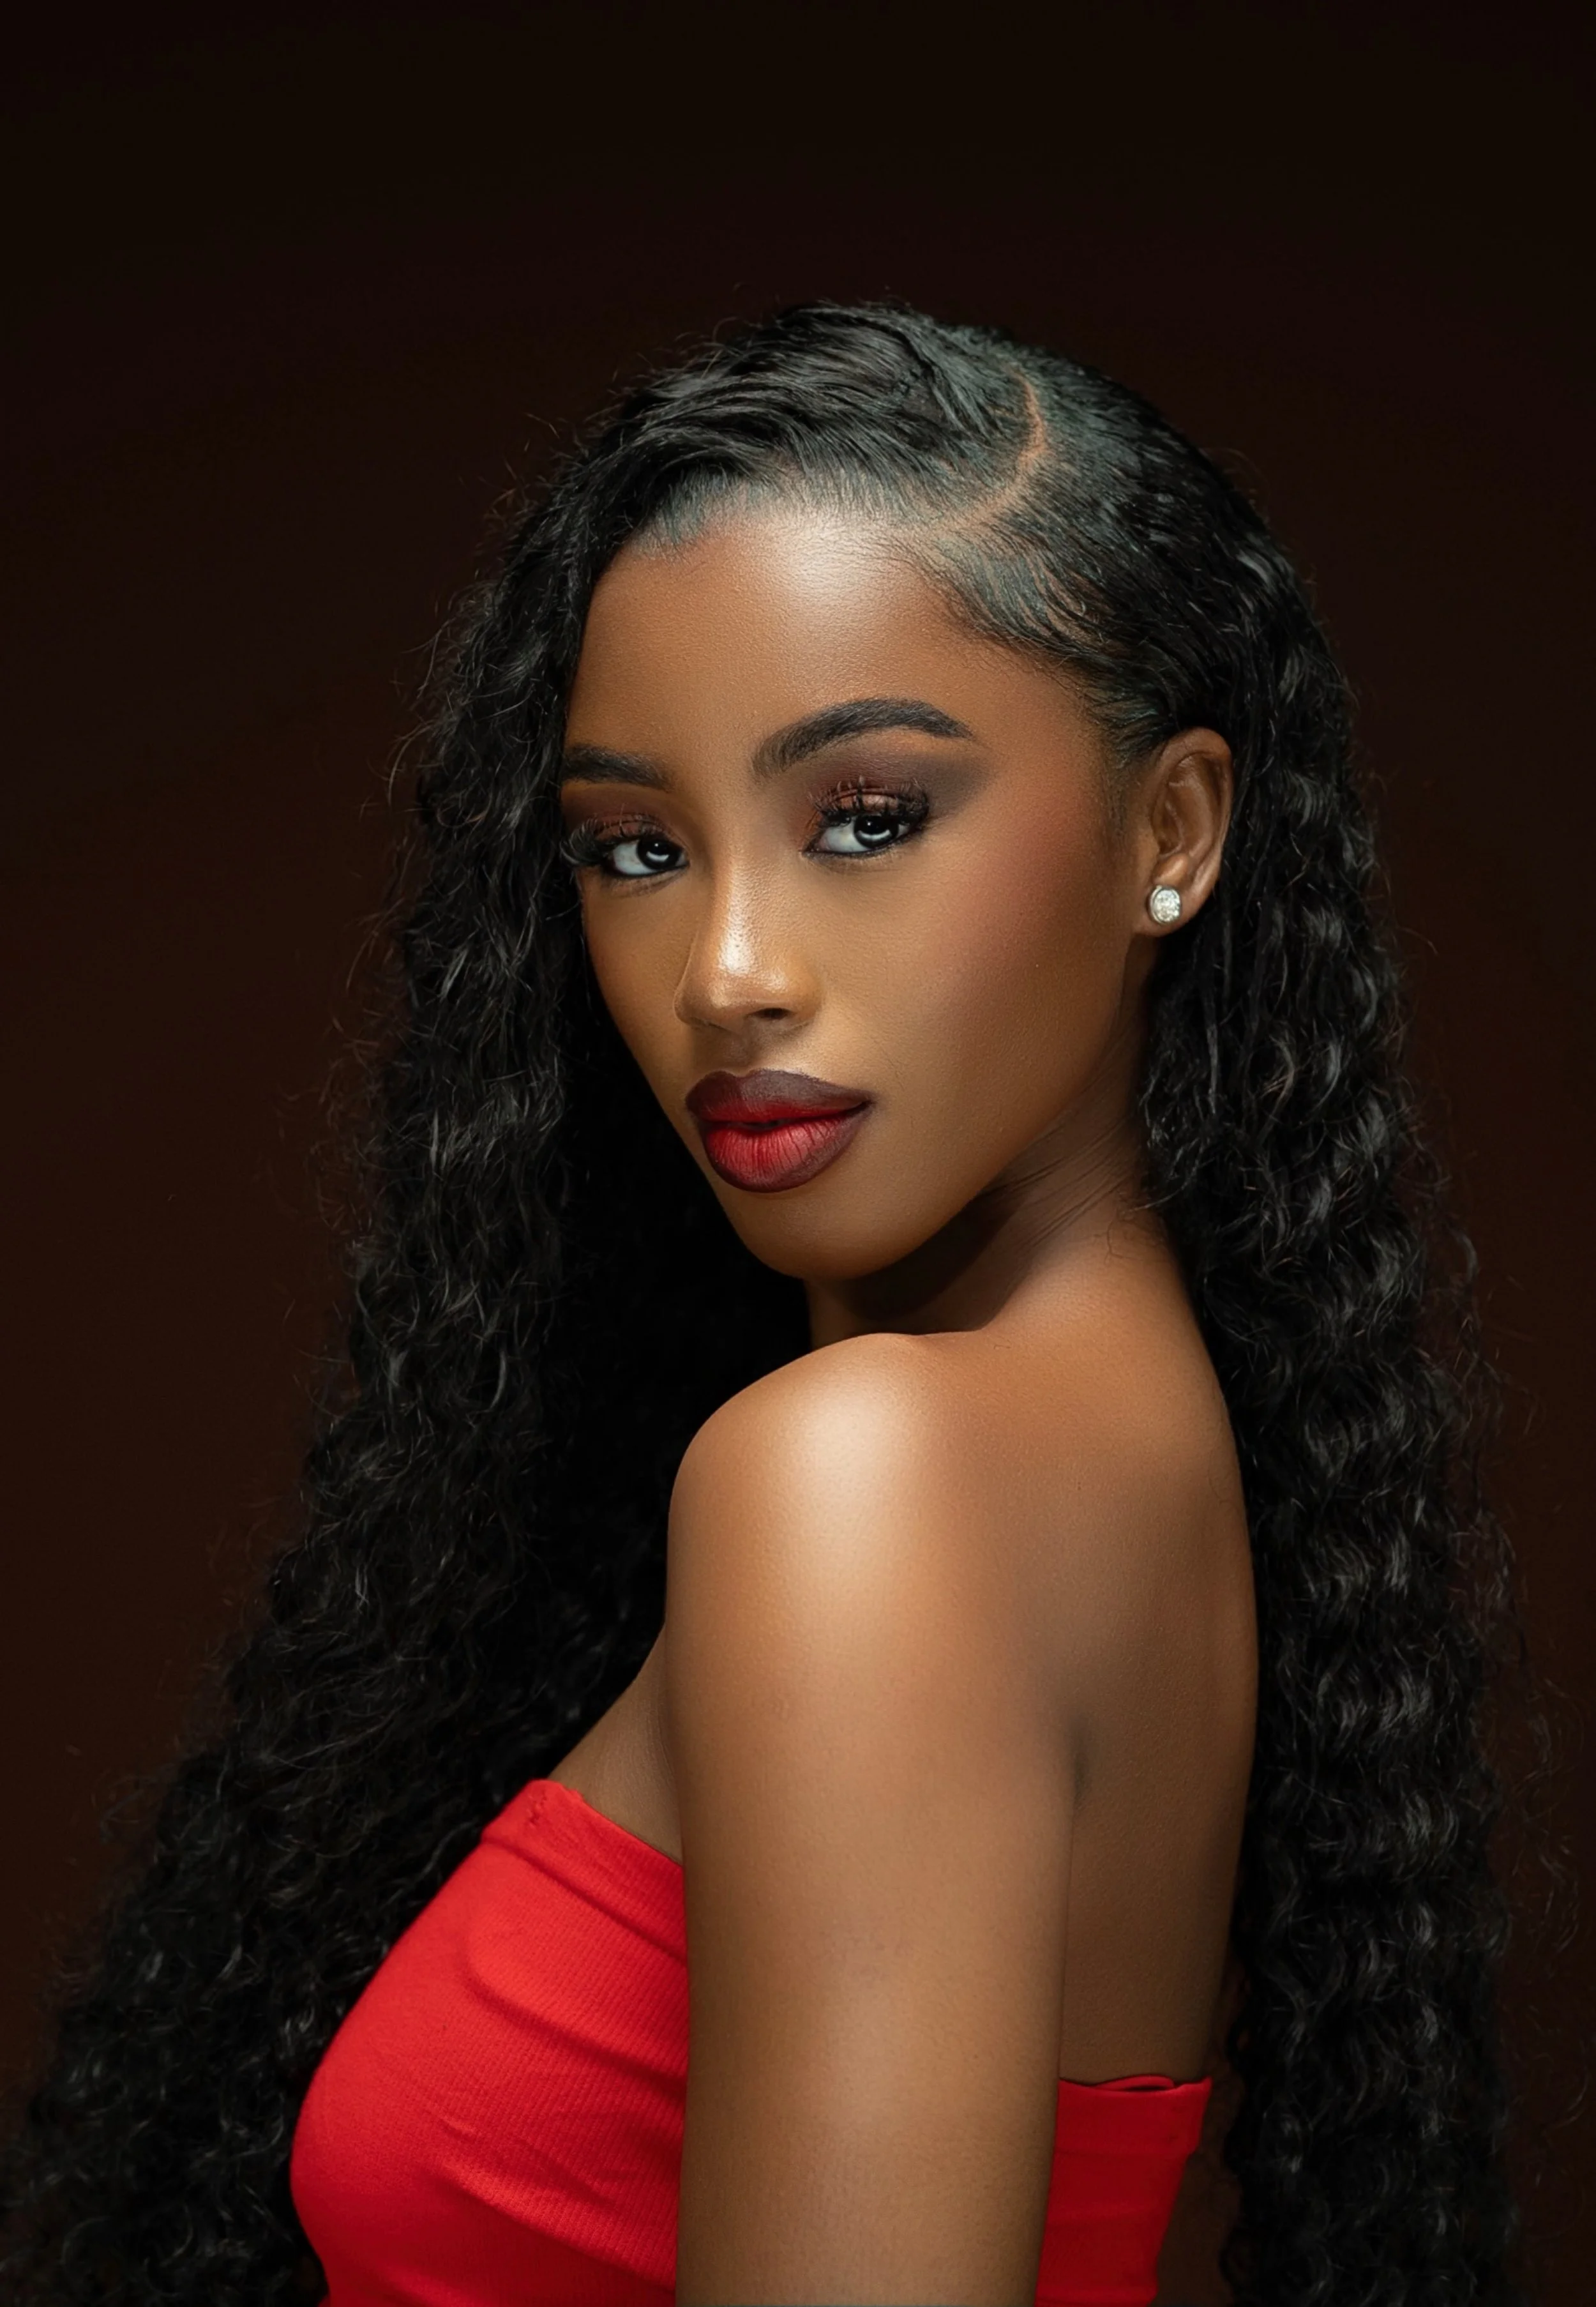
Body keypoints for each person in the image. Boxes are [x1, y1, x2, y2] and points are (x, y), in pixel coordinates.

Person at [1, 303, 1524, 2306]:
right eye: (633, 846)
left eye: (868, 817)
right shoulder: (1133, 1462)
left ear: (1173, 834)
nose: (725, 966)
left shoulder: (868, 1479)